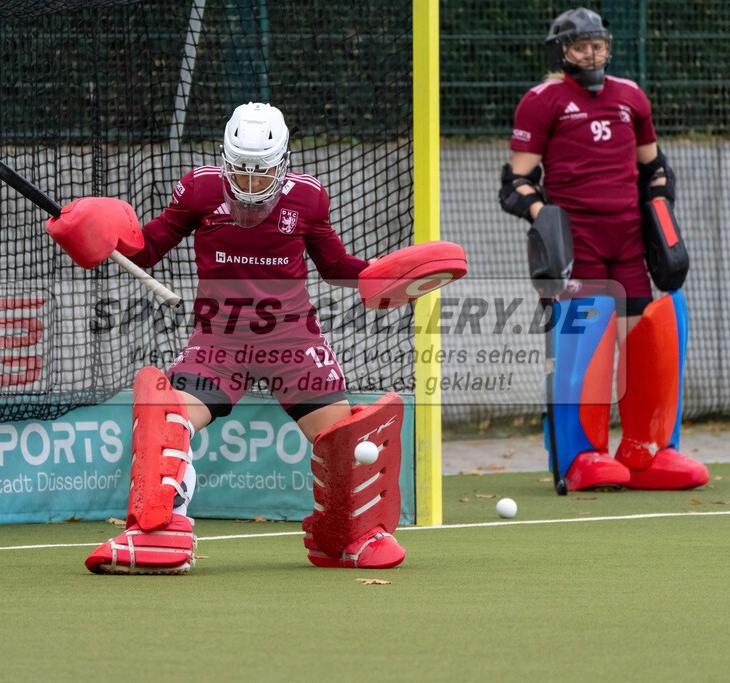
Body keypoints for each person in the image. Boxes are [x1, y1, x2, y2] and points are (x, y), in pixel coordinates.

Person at [46, 102, 452, 573]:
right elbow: (149, 247)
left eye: (262, 173)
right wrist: (97, 229)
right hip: (218, 343)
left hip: (293, 342)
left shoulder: (308, 198)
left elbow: (335, 266)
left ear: (282, 162)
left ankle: (346, 539)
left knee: (344, 441)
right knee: (166, 417)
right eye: (241, 169)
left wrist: (380, 279)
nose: (252, 183)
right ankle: (160, 535)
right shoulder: (198, 189)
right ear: (225, 157)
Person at [498, 8, 708, 492]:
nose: (591, 53)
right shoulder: (542, 101)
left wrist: (662, 214)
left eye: (598, 45)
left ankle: (646, 451)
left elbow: (656, 171)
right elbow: (517, 183)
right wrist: (544, 221)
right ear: (563, 52)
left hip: (629, 241)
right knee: (585, 351)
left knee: (644, 344)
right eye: (580, 46)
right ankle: (582, 456)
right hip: (580, 246)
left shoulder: (631, 96)